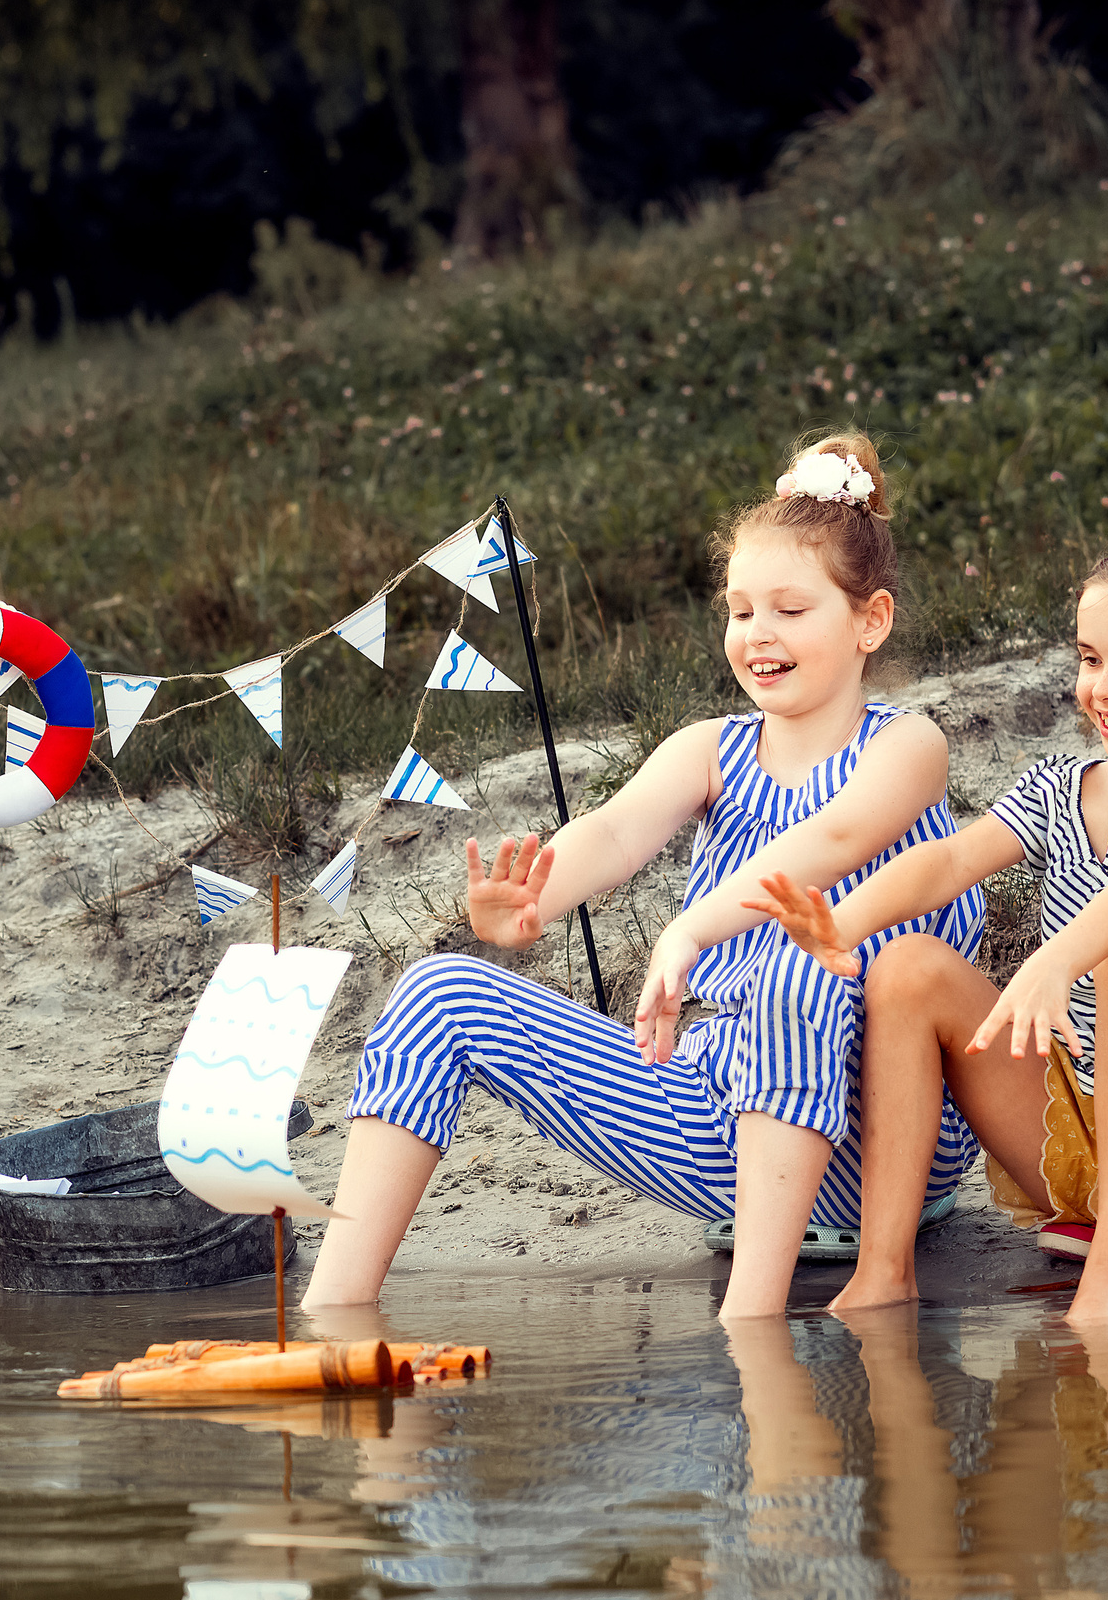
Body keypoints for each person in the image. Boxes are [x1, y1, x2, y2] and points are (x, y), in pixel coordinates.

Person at [301, 434, 984, 1321]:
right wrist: (537, 895)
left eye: (789, 608)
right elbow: (618, 829)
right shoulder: (713, 748)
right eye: (740, 610)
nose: (758, 633)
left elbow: (832, 840)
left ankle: (754, 1322)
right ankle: (334, 1315)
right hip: (728, 1117)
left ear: (869, 621)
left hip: (887, 1134)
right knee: (439, 993)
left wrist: (694, 925)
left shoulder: (907, 745)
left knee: (793, 963)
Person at [754, 536, 1108, 1327]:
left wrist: (1058, 957)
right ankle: (883, 1270)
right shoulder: (1066, 786)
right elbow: (952, 859)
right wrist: (843, 922)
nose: (1103, 687)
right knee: (905, 967)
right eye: (1090, 658)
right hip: (1084, 1138)